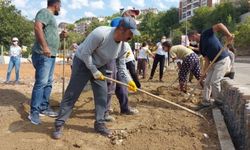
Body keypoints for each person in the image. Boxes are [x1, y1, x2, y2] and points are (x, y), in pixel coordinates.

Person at [53, 17, 140, 139]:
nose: (132, 36)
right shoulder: (101, 34)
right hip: (82, 62)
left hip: (100, 65)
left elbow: (121, 66)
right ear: (121, 29)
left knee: (102, 95)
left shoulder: (123, 47)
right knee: (72, 93)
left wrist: (129, 80)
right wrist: (93, 70)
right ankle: (59, 124)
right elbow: (85, 53)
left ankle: (100, 124)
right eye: (130, 33)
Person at [29, 0, 63, 125]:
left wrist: (61, 36)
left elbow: (49, 34)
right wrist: (45, 47)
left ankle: (43, 107)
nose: (60, 8)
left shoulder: (51, 17)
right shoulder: (44, 12)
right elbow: (38, 27)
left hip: (50, 55)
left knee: (48, 83)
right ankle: (34, 112)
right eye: (60, 6)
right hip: (43, 54)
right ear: (56, 5)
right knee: (41, 83)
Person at [104, 8, 141, 122]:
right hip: (110, 56)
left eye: (135, 15)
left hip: (120, 56)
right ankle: (105, 112)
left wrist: (130, 80)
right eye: (132, 14)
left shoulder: (132, 27)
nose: (134, 16)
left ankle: (125, 108)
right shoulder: (117, 21)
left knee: (122, 84)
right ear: (125, 14)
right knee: (110, 84)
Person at [188, 23, 233, 106]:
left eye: (192, 39)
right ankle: (205, 102)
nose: (192, 41)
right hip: (213, 63)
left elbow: (219, 25)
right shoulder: (201, 47)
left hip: (222, 60)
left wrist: (228, 35)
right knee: (207, 82)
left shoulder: (206, 34)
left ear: (195, 35)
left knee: (215, 81)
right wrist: (203, 72)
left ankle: (219, 102)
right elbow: (207, 61)